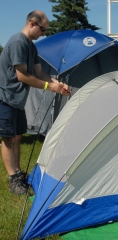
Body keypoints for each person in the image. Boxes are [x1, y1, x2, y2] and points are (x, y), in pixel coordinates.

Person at [0, 10, 71, 195]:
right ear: (32, 23)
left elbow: (40, 74)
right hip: (5, 98)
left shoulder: (31, 47)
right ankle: (13, 179)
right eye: (42, 29)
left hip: (17, 100)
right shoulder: (18, 42)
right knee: (8, 139)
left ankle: (17, 173)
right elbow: (22, 75)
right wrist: (49, 87)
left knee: (17, 136)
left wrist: (58, 84)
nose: (43, 34)